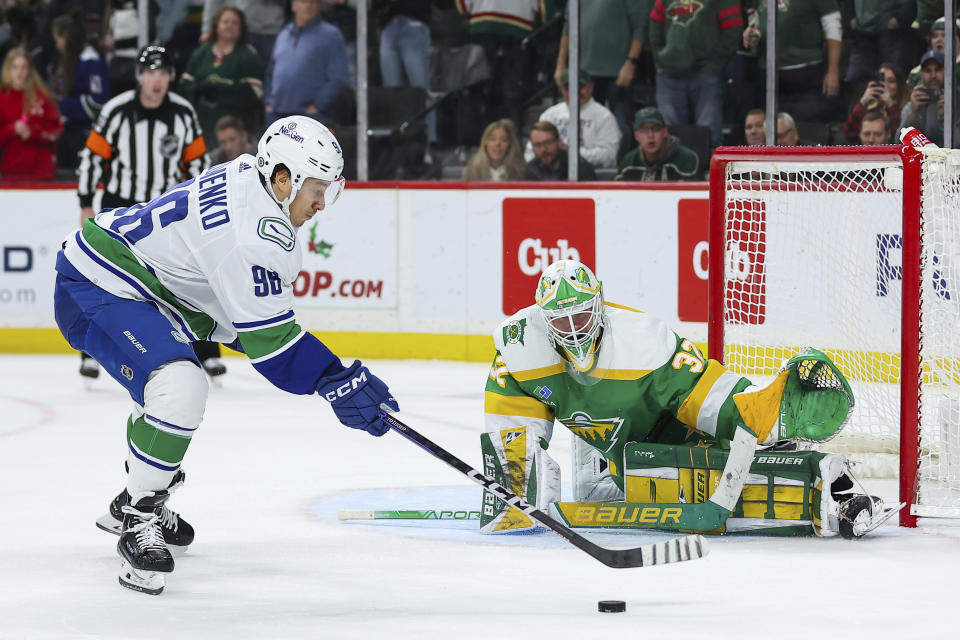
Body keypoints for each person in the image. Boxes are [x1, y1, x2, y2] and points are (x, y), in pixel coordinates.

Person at [55, 115, 399, 595]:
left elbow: (251, 326)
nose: (322, 203)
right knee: (179, 385)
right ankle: (139, 514)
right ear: (283, 178)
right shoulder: (251, 234)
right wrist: (335, 379)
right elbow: (274, 350)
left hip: (150, 288)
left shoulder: (248, 176)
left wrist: (332, 375)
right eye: (317, 189)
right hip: (100, 284)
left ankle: (135, 495)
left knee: (166, 384)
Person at [479, 259, 885, 538]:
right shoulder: (520, 344)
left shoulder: (643, 340)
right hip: (609, 447)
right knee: (592, 487)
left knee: (714, 477)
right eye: (560, 320)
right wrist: (515, 471)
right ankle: (602, 473)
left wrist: (762, 413)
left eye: (581, 315)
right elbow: (510, 419)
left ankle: (796, 462)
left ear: (599, 304)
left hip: (669, 436)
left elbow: (708, 395)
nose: (572, 329)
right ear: (542, 317)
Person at [75, 45, 208, 380]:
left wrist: (197, 208)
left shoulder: (183, 113)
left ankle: (202, 350)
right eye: (150, 73)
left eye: (163, 73)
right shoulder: (116, 110)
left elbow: (199, 164)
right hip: (120, 206)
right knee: (104, 279)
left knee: (181, 278)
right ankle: (91, 353)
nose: (157, 80)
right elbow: (93, 158)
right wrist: (86, 203)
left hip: (163, 209)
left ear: (171, 77)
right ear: (139, 76)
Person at [649, 0, 743, 148]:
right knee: (669, 137)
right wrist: (660, 59)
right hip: (669, 73)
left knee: (709, 134)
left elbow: (734, 28)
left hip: (706, 73)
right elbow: (654, 23)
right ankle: (672, 170)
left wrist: (715, 63)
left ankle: (711, 171)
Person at [455, 0, 555, 129]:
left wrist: (465, 17)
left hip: (483, 28)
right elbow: (546, 10)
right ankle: (512, 137)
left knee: (478, 88)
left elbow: (462, 6)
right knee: (513, 90)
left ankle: (478, 140)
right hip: (518, 30)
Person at [553, 0, 650, 130]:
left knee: (622, 128)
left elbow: (640, 27)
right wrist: (560, 64)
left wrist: (631, 63)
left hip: (619, 72)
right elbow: (568, 27)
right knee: (585, 127)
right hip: (584, 73)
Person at [179, 5, 266, 148]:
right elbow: (182, 88)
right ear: (216, 26)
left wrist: (220, 92)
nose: (230, 26)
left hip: (233, 129)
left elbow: (254, 93)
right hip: (200, 127)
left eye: (235, 23)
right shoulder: (201, 53)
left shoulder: (248, 55)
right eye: (225, 22)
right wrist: (198, 90)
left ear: (242, 28)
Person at [743, 0, 844, 122]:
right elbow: (755, 18)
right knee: (770, 129)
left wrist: (833, 71)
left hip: (806, 74)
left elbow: (833, 27)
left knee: (803, 128)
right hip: (768, 74)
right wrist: (753, 32)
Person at [264, 0, 349, 125]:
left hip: (310, 116)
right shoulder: (283, 35)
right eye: (304, 1)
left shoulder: (331, 35)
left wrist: (318, 106)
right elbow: (270, 73)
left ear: (319, 6)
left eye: (313, 2)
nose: (309, 5)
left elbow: (338, 78)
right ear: (293, 5)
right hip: (277, 115)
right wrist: (268, 102)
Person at [523, 69, 621, 171]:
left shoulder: (604, 116)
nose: (575, 92)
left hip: (591, 174)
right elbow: (530, 150)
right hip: (550, 173)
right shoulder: (550, 114)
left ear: (591, 87)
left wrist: (571, 153)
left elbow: (609, 156)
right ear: (562, 90)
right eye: (569, 88)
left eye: (580, 87)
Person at [49, 10, 110, 169]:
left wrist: (62, 104)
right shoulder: (71, 60)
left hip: (86, 135)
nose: (57, 45)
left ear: (67, 38)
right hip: (70, 132)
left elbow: (98, 103)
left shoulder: (91, 61)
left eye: (58, 39)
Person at [0, 47, 63, 181]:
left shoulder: (42, 96)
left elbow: (57, 130)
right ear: (8, 69)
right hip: (11, 172)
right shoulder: (2, 98)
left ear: (29, 70)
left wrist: (34, 133)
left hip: (42, 172)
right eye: (15, 67)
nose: (19, 72)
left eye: (24, 67)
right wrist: (11, 129)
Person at [616, 106, 698, 182]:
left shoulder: (687, 159)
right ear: (636, 136)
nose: (650, 135)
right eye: (644, 130)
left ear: (665, 132)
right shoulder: (627, 164)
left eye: (655, 129)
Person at [842, 0, 917, 83]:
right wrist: (850, 17)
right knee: (855, 80)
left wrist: (900, 19)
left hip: (893, 33)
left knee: (892, 79)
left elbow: (911, 3)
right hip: (861, 34)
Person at [201, 0, 287, 61]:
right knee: (232, 74)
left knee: (271, 77)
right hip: (236, 31)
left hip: (272, 31)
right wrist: (207, 28)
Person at [844, 63, 908, 144]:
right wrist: (862, 103)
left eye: (891, 81)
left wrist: (891, 105)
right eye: (881, 80)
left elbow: (901, 135)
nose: (885, 85)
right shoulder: (866, 108)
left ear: (899, 85)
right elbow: (850, 134)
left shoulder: (908, 108)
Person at [523, 120, 596, 181]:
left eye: (548, 142)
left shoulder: (578, 166)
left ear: (558, 141)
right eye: (538, 145)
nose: (543, 149)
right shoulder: (530, 170)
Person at [900, 50, 945, 146]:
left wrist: (944, 118)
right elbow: (898, 141)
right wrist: (913, 113)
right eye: (928, 70)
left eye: (937, 69)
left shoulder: (956, 102)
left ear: (946, 71)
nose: (933, 75)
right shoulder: (913, 104)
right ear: (921, 74)